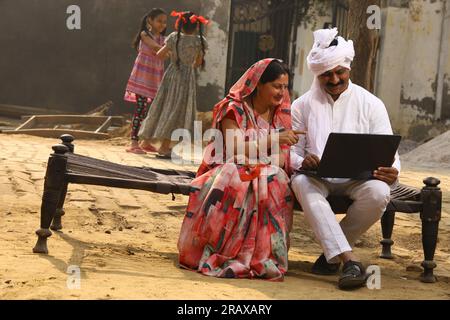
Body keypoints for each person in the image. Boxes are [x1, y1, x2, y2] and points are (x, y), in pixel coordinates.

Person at [289, 28, 401, 289]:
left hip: (359, 178)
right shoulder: (301, 105)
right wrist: (301, 162)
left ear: (348, 68)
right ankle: (349, 259)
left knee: (379, 193)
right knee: (301, 183)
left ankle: (332, 256)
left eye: (340, 71)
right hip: (318, 179)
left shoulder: (371, 103)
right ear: (318, 74)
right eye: (327, 73)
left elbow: (390, 152)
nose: (335, 78)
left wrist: (392, 169)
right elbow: (293, 152)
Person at [177, 59, 305, 281]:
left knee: (276, 179)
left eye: (285, 87)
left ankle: (263, 255)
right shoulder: (233, 109)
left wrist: (261, 158)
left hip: (265, 171)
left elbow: (281, 157)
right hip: (226, 169)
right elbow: (234, 149)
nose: (282, 93)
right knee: (237, 176)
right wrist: (272, 141)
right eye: (276, 86)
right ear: (258, 85)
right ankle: (227, 252)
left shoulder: (281, 114)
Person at [138, 11, 208, 158]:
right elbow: (198, 63)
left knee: (163, 106)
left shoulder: (173, 37)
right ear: (196, 27)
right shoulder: (199, 41)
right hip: (186, 79)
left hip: (171, 75)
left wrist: (174, 56)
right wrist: (188, 63)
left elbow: (160, 55)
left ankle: (145, 141)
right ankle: (164, 147)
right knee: (178, 110)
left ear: (180, 24)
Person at [124, 8, 168, 154]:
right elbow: (156, 49)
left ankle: (146, 141)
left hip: (155, 79)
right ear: (150, 20)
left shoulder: (164, 39)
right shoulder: (145, 34)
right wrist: (171, 47)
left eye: (164, 22)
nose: (162, 24)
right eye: (159, 21)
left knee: (153, 112)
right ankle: (133, 143)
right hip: (142, 78)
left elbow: (163, 54)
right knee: (141, 110)